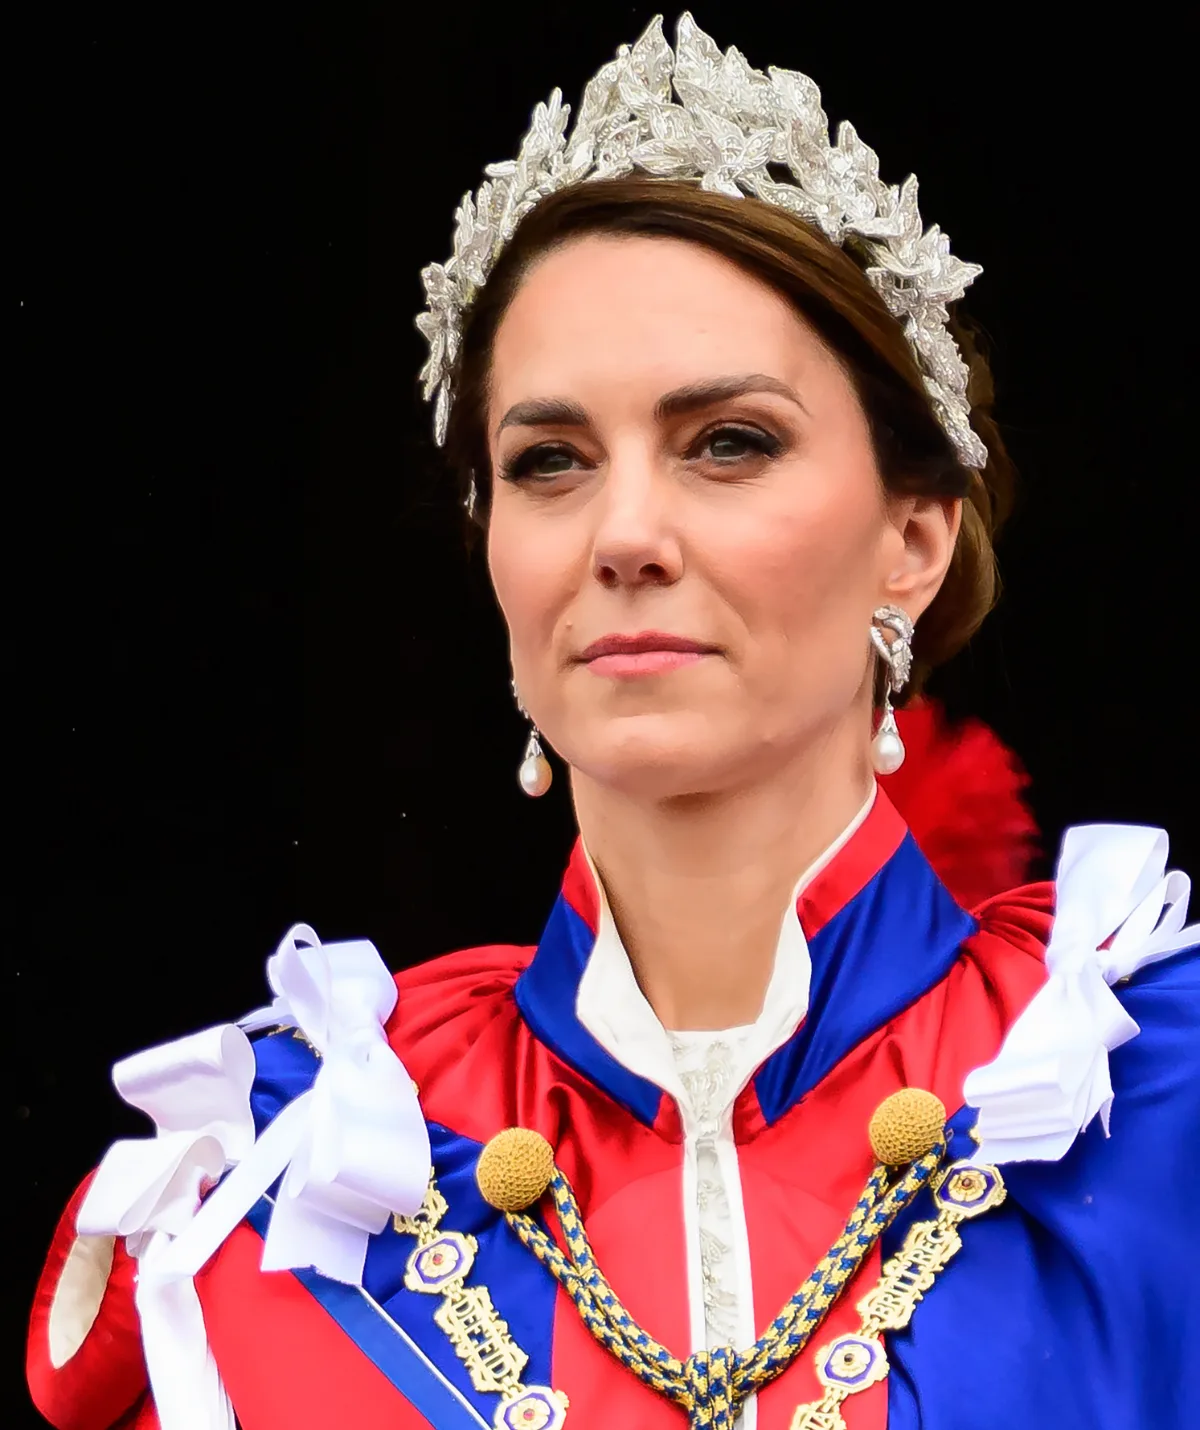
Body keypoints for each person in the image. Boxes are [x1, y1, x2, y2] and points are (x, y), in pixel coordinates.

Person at [26, 14, 1198, 1430]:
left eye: (728, 442)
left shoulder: (1153, 1098)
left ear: (915, 538)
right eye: (551, 461)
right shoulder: (300, 1174)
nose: (625, 532)